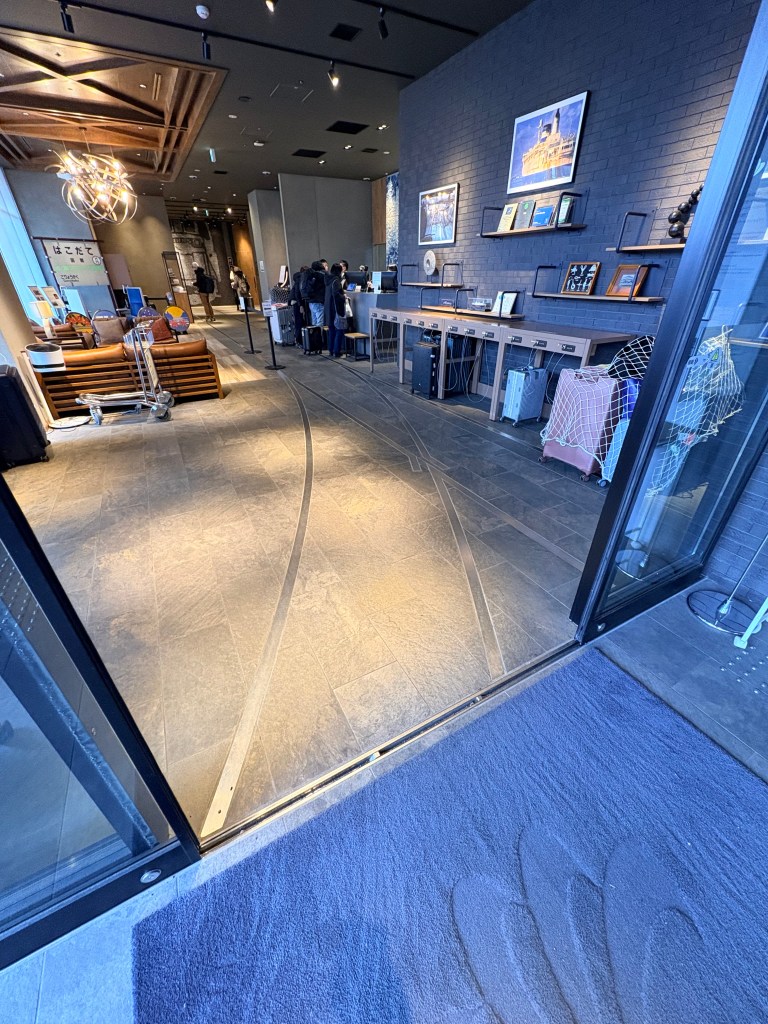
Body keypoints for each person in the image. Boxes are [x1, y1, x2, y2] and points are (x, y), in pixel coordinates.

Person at [324, 262, 346, 358]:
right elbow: (336, 295)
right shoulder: (336, 280)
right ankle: (337, 351)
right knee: (339, 330)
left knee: (332, 330)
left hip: (329, 308)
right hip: (335, 308)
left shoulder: (328, 280)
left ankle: (331, 350)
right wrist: (344, 297)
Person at [300, 260, 327, 326]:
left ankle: (315, 336)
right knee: (320, 322)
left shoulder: (310, 275)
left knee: (314, 323)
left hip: (311, 302)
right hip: (319, 302)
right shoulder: (320, 275)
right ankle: (320, 336)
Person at [289, 265, 308, 344]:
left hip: (296, 302)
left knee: (298, 321)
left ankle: (299, 339)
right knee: (299, 321)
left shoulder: (298, 278)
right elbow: (297, 293)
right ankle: (299, 340)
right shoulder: (300, 279)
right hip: (297, 302)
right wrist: (300, 305)